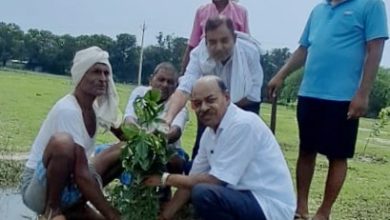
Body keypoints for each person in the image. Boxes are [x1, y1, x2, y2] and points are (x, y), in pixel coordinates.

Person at [268, 1, 388, 219]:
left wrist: (363, 93)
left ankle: (324, 212)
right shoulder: (318, 10)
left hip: (343, 97)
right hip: (310, 93)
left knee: (338, 155)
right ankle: (301, 209)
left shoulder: (371, 4)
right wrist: (281, 74)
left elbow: (376, 48)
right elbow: (304, 48)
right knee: (306, 151)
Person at [145, 76, 295, 220]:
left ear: (227, 97)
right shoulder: (209, 134)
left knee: (203, 193)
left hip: (268, 206)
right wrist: (164, 216)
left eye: (210, 100)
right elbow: (190, 180)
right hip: (243, 197)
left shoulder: (243, 124)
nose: (203, 108)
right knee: (197, 187)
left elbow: (215, 182)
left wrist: (166, 179)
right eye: (197, 103)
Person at [20, 46, 126, 220]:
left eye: (106, 74)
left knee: (124, 150)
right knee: (63, 143)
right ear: (81, 75)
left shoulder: (96, 107)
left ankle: (74, 207)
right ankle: (52, 211)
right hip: (39, 188)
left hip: (71, 182)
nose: (102, 79)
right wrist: (112, 215)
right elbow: (81, 174)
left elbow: (127, 138)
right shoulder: (68, 110)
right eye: (96, 72)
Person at [166, 16, 263, 160]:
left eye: (224, 41)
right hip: (209, 109)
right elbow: (184, 89)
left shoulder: (250, 53)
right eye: (212, 42)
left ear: (234, 39)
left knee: (237, 159)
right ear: (205, 42)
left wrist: (219, 111)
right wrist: (167, 120)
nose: (218, 47)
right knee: (201, 154)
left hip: (244, 109)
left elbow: (252, 96)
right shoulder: (198, 54)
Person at [124, 62, 189, 176]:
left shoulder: (178, 104)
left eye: (170, 82)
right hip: (138, 144)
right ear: (151, 79)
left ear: (176, 86)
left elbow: (175, 131)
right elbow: (129, 120)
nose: (165, 85)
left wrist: (154, 140)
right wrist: (141, 138)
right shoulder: (140, 93)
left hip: (167, 149)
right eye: (161, 80)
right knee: (105, 151)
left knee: (172, 161)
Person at [181, 0, 250, 73]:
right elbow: (192, 44)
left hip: (233, 67)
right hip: (206, 66)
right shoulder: (201, 11)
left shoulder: (241, 12)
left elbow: (247, 44)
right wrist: (183, 73)